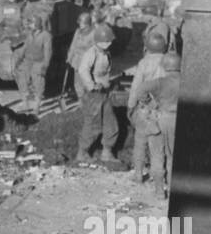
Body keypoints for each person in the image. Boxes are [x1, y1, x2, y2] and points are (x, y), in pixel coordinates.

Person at [127, 31, 169, 181]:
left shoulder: (143, 63)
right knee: (159, 147)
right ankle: (159, 177)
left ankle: (138, 174)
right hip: (162, 110)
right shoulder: (169, 62)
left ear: (147, 47)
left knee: (140, 143)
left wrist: (131, 106)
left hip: (144, 109)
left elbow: (136, 87)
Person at [75, 23, 118, 162]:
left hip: (104, 93)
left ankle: (107, 152)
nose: (111, 43)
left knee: (110, 123)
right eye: (108, 41)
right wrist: (91, 85)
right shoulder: (91, 53)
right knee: (92, 124)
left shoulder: (106, 53)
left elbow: (105, 72)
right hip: (94, 94)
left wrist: (111, 81)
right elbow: (83, 70)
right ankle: (82, 153)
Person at [141, 51, 181, 199]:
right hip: (176, 120)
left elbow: (142, 88)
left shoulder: (160, 81)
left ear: (165, 66)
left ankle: (159, 191)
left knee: (157, 156)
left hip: (159, 119)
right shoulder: (185, 82)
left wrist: (149, 103)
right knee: (173, 157)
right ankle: (171, 190)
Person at [16, 13, 52, 116]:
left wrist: (45, 65)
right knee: (22, 81)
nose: (29, 25)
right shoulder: (29, 34)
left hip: (38, 62)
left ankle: (36, 107)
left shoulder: (46, 36)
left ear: (36, 24)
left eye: (31, 23)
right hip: (27, 61)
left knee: (38, 84)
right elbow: (25, 47)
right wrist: (19, 59)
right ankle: (25, 104)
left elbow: (48, 52)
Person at [65, 12, 96, 95]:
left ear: (87, 23)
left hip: (87, 62)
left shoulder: (93, 33)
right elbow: (73, 45)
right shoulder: (78, 31)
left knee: (86, 83)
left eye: (81, 23)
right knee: (77, 84)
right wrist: (69, 58)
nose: (79, 25)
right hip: (77, 60)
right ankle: (81, 101)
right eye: (79, 23)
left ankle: (88, 101)